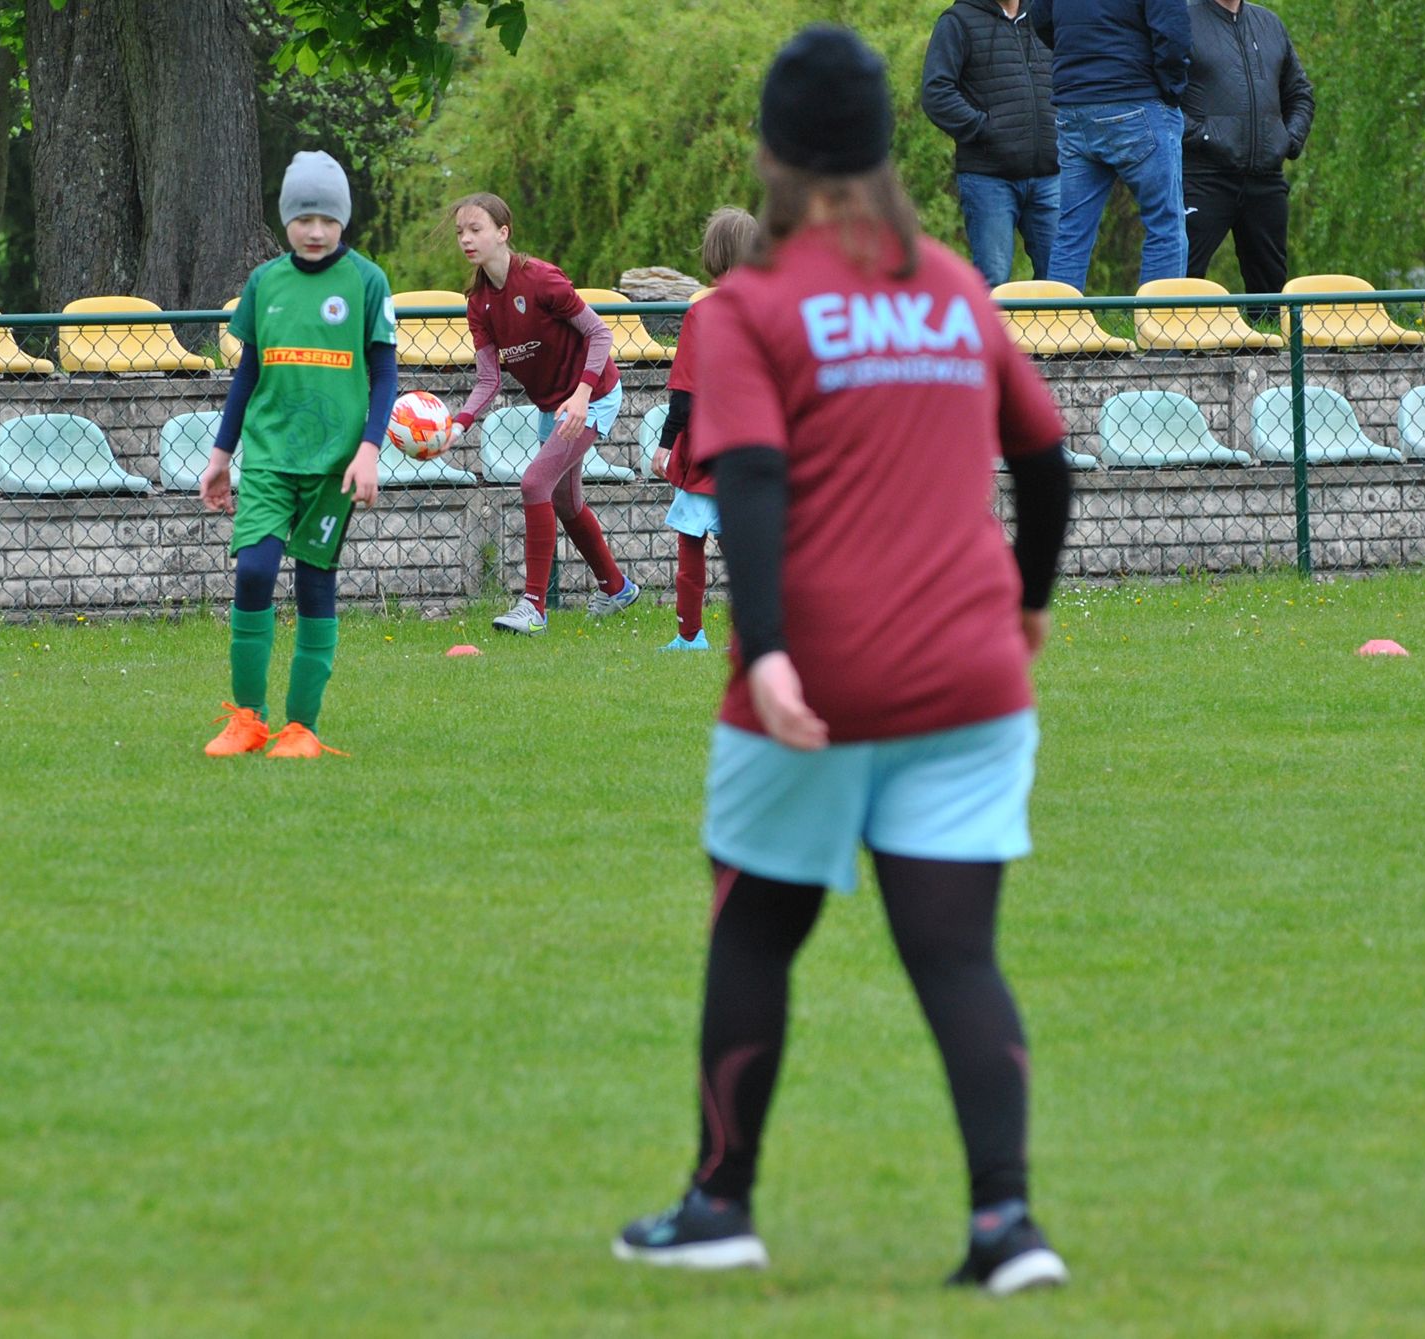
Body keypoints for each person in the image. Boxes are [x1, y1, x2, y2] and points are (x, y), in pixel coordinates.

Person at [611, 25, 1077, 1296]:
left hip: (817, 679)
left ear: (771, 155)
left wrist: (762, 654)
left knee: (755, 929)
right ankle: (1005, 1230)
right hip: (973, 675)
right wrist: (1026, 603)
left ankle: (719, 1204)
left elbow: (748, 485)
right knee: (957, 956)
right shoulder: (949, 288)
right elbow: (1044, 462)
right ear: (881, 149)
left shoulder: (757, 303)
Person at [199, 151, 394, 760]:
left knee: (314, 584)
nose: (315, 231)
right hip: (269, 461)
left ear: (343, 221)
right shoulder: (264, 284)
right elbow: (246, 375)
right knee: (254, 570)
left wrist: (369, 450)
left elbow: (385, 376)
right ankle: (247, 721)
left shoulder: (367, 282)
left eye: (327, 219)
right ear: (286, 219)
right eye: (304, 218)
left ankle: (301, 728)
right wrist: (220, 454)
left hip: (336, 470)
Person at [443, 193, 639, 636]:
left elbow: (600, 333)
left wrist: (583, 394)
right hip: (556, 404)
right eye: (460, 232)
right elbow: (488, 380)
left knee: (534, 482)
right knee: (566, 502)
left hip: (595, 395)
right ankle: (617, 587)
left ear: (503, 232)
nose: (466, 239)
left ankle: (534, 607)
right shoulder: (479, 303)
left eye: (476, 229)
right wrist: (459, 424)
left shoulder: (541, 279)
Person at [651, 206, 760, 651]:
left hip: (710, 450)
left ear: (713, 255)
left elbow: (686, 393)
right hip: (758, 449)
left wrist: (665, 445)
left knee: (691, 540)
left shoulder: (705, 314)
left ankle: (690, 635)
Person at [1030, 0, 1192, 294]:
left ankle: (1056, 332)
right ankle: (1161, 335)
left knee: (1071, 233)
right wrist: (1171, 89)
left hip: (1075, 105)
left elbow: (1040, 18)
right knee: (1165, 226)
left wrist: (1082, 61)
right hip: (1137, 99)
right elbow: (1173, 34)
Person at [1179, 0, 1315, 299]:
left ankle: (1266, 345)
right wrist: (1204, 137)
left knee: (1270, 290)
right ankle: (1173, 345)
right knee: (1183, 278)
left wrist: (1288, 140)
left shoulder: (1270, 24)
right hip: (1202, 177)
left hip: (1266, 179)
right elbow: (1162, 96)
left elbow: (1300, 94)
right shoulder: (1181, 20)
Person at [921, 0, 1060, 287]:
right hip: (988, 179)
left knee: (1060, 282)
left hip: (1051, 176)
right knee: (993, 281)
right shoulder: (957, 21)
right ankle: (992, 334)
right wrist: (985, 128)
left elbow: (1068, 72)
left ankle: (1042, 333)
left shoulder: (1043, 16)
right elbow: (937, 92)